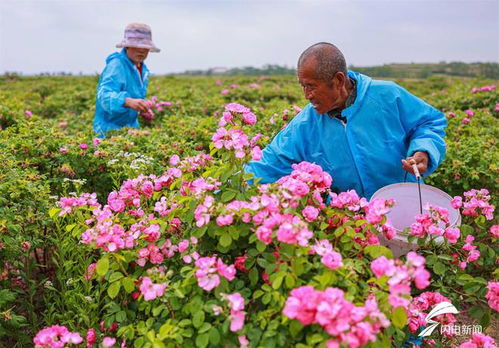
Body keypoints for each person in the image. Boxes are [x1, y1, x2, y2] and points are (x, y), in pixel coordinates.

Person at [246, 42, 447, 199]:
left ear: (339, 81)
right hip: (353, 227)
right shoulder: (304, 125)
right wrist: (219, 188)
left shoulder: (388, 96)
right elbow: (268, 164)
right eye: (303, 87)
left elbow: (428, 123)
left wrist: (424, 149)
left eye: (312, 86)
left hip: (405, 208)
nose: (307, 95)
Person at [93, 23, 160, 136]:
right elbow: (104, 95)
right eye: (137, 46)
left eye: (145, 47)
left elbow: (135, 98)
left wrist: (141, 108)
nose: (142, 50)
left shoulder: (141, 68)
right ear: (127, 46)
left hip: (131, 128)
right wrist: (127, 101)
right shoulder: (116, 65)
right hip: (109, 131)